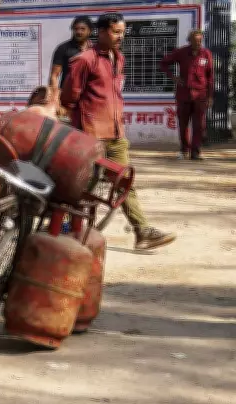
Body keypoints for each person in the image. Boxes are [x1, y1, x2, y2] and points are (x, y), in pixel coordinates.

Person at [61, 12, 176, 251]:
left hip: (116, 135)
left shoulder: (118, 58)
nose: (120, 36)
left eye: (122, 32)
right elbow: (69, 98)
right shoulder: (85, 60)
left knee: (124, 184)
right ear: (101, 32)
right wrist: (82, 128)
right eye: (115, 31)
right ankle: (62, 229)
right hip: (91, 136)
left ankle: (142, 231)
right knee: (82, 187)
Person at [159, 29, 213, 160]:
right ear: (190, 41)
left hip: (200, 95)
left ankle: (195, 152)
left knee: (199, 125)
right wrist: (174, 77)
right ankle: (184, 150)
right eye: (195, 41)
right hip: (184, 95)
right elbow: (163, 63)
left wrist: (210, 96)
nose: (198, 43)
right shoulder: (181, 52)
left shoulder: (206, 54)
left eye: (200, 40)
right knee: (183, 125)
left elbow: (210, 76)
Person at [50, 15, 93, 90]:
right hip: (68, 95)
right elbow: (54, 75)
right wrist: (54, 96)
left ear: (90, 31)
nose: (79, 32)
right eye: (76, 29)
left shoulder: (94, 50)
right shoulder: (63, 48)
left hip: (89, 96)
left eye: (83, 29)